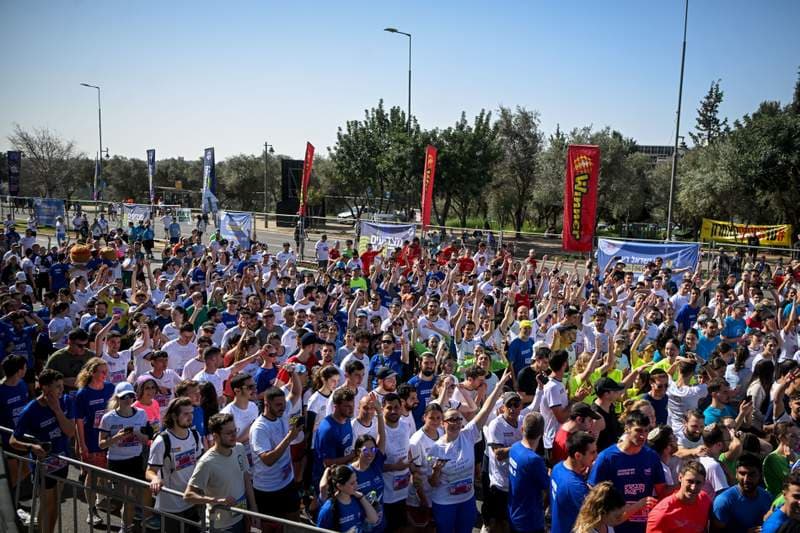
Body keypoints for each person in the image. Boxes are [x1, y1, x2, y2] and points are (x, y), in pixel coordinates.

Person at [426, 369, 511, 533]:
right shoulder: (435, 448)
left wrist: (499, 386)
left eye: (458, 418)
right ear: (443, 423)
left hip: (467, 500)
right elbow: (432, 483)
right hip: (445, 503)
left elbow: (485, 410)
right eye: (451, 419)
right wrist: (436, 471)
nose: (457, 422)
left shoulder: (468, 435)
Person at [10, 369, 76, 533]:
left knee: (54, 504)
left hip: (62, 461)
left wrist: (57, 410)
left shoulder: (66, 401)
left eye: (62, 386)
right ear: (45, 388)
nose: (61, 390)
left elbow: (70, 432)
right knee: (48, 504)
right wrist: (31, 447)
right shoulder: (31, 410)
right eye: (57, 387)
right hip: (43, 465)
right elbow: (13, 440)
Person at [588, 410, 665, 533]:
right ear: (627, 429)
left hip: (643, 526)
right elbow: (593, 492)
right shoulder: (607, 457)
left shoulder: (652, 456)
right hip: (615, 526)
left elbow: (662, 490)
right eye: (638, 430)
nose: (643, 436)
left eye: (646, 431)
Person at [184, 412, 259, 533]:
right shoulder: (206, 462)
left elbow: (246, 479)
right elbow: (188, 495)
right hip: (219, 527)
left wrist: (254, 510)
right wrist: (217, 501)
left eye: (235, 430)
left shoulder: (239, 448)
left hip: (242, 518)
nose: (234, 435)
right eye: (229, 433)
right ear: (216, 436)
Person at [249, 385, 305, 530]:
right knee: (273, 528)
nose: (283, 408)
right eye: (278, 405)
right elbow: (268, 460)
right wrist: (289, 437)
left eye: (283, 404)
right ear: (267, 404)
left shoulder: (282, 412)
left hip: (287, 481)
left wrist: (292, 372)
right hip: (268, 489)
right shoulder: (259, 429)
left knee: (294, 521)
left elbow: (296, 392)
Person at [98, 381, 150, 531]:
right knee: (128, 497)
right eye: (123, 397)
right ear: (117, 399)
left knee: (131, 498)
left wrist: (136, 433)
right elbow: (101, 444)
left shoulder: (141, 414)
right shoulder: (108, 418)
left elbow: (146, 440)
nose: (128, 400)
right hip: (117, 462)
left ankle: (127, 526)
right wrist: (118, 437)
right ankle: (125, 526)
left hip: (136, 460)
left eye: (131, 396)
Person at [506, 411, 549, 533]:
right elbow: (547, 486)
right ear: (542, 433)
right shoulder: (534, 460)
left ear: (522, 429)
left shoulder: (514, 448)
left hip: (514, 512)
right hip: (529, 521)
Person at [711, 453, 773, 532]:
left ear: (760, 475)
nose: (746, 479)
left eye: (751, 474)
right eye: (742, 474)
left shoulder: (767, 497)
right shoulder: (723, 501)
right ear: (736, 474)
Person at [550, 431, 598, 533]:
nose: (596, 456)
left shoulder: (557, 468)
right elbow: (597, 517)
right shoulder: (575, 486)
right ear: (578, 456)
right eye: (592, 452)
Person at [646, 460, 711, 533]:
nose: (693, 487)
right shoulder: (661, 513)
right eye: (690, 481)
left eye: (698, 483)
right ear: (680, 478)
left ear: (704, 483)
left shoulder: (705, 499)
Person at [316, 464, 380, 532]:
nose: (356, 485)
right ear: (340, 486)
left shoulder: (357, 499)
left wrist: (362, 497)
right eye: (352, 483)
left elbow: (374, 519)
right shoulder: (328, 508)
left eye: (356, 481)